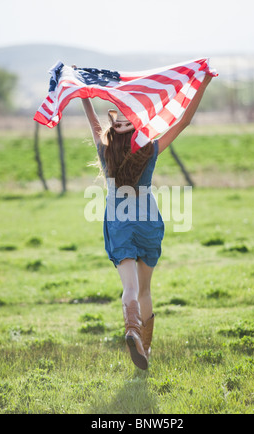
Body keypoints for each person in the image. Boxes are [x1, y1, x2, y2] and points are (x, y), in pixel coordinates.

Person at [80, 67, 212, 370]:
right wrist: (203, 80)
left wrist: (83, 94)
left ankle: (131, 330)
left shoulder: (106, 151)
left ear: (113, 127)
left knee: (129, 288)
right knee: (145, 290)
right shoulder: (149, 150)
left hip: (119, 220)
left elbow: (91, 121)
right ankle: (145, 350)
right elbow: (184, 120)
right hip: (148, 220)